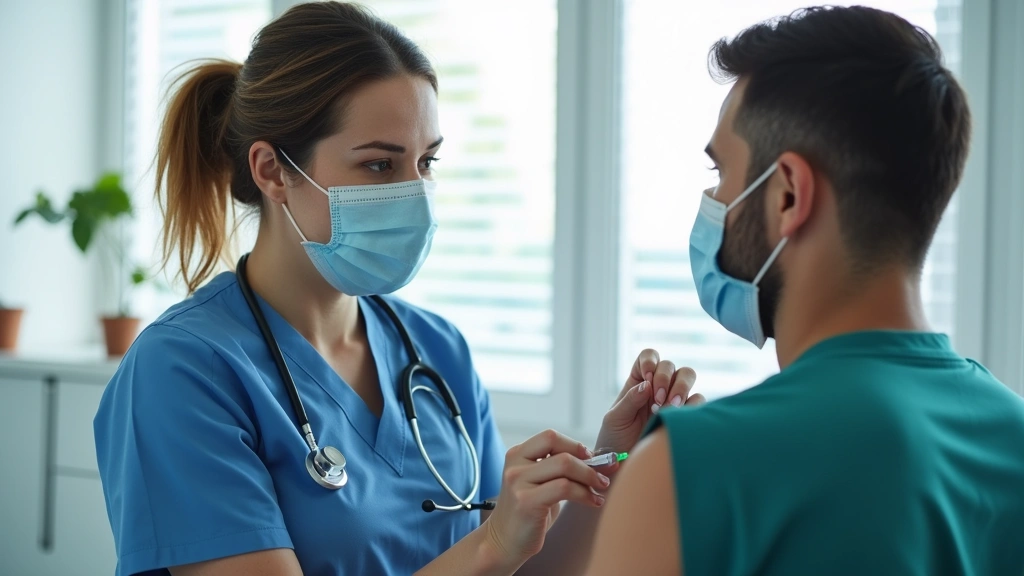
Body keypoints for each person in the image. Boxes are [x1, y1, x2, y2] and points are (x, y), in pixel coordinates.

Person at [92, 3, 703, 575]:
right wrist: (490, 544)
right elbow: (489, 554)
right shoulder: (183, 370)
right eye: (380, 165)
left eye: (427, 162)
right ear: (273, 171)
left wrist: (616, 465)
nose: (413, 193)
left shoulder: (437, 349)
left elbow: (514, 565)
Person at [587, 6, 1024, 576]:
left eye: (721, 173)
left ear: (788, 194)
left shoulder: (687, 470)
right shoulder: (1013, 438)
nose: (713, 201)